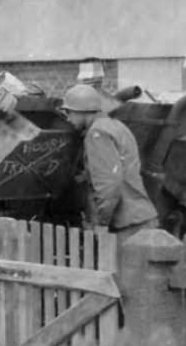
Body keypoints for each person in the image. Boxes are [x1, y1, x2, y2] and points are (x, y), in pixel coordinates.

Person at [60, 84, 159, 240]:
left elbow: (109, 184)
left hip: (126, 226)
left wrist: (101, 222)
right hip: (142, 219)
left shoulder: (97, 133)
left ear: (82, 110)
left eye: (69, 112)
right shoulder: (117, 126)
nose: (67, 118)